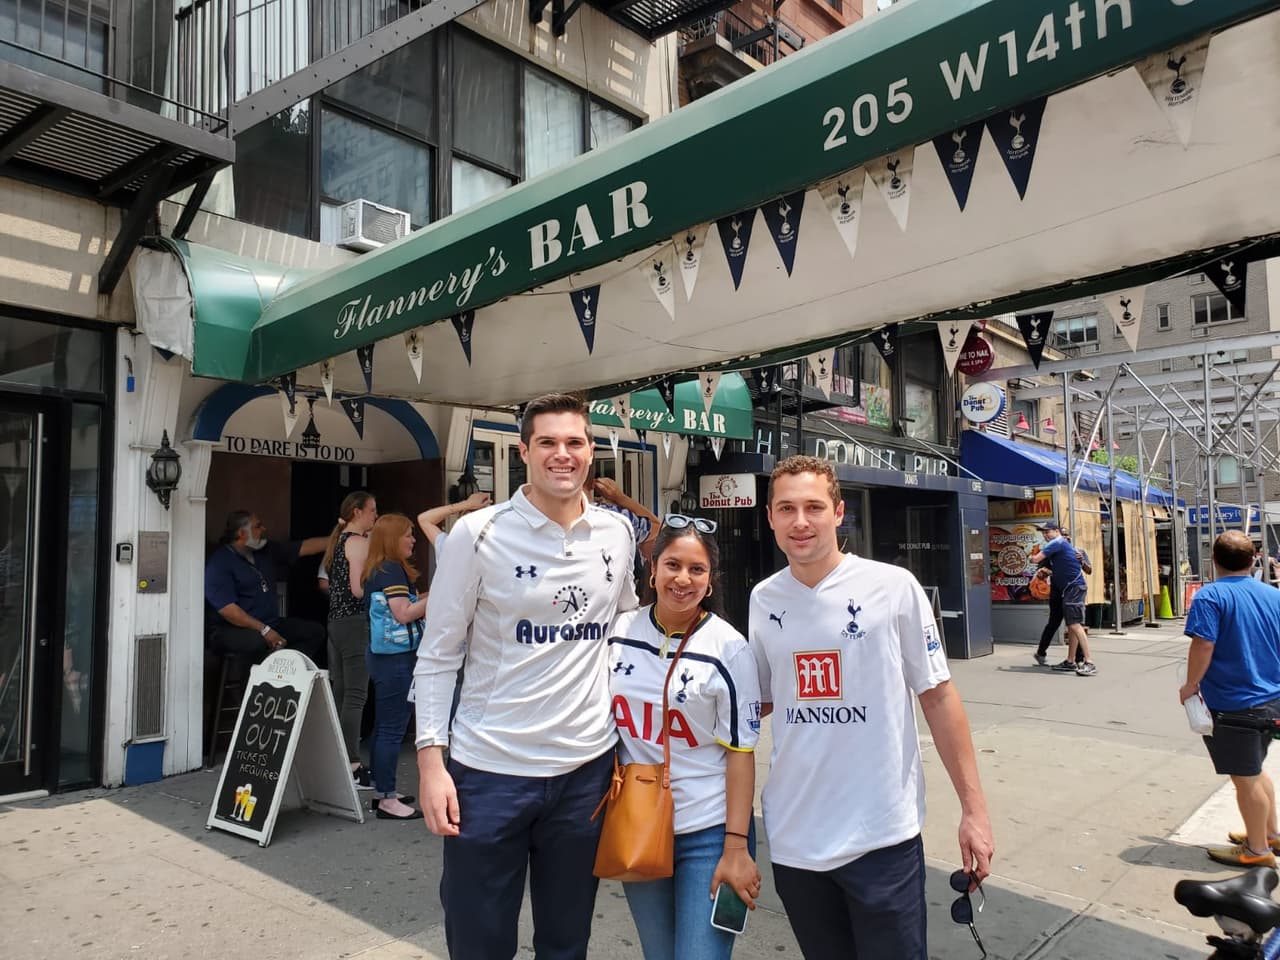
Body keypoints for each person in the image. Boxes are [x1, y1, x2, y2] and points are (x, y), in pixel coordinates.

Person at [414, 392, 639, 960]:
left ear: (591, 451)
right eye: (548, 443)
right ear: (524, 451)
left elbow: (627, 623)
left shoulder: (616, 533)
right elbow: (439, 653)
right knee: (479, 942)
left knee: (567, 943)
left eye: (575, 442)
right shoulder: (477, 534)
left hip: (585, 771)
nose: (562, 454)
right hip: (489, 772)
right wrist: (431, 762)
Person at [748, 456, 994, 959]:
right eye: (787, 508)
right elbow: (760, 700)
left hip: (881, 836)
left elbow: (939, 696)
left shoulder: (892, 588)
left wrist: (975, 810)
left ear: (838, 513)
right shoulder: (762, 599)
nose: (800, 521)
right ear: (769, 518)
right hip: (795, 840)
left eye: (814, 507)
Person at [609, 514, 762, 960]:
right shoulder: (618, 633)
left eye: (697, 569)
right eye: (673, 565)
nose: (683, 578)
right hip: (638, 826)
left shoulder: (729, 648)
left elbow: (741, 753)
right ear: (652, 570)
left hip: (710, 833)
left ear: (710, 582)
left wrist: (736, 848)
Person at [1179, 530, 1280, 868]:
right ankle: (1268, 833)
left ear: (1214, 561)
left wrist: (1191, 685)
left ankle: (1256, 850)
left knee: (1244, 777)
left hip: (1235, 701)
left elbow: (1203, 644)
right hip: (1271, 698)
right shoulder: (1272, 594)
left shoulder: (1210, 597)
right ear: (1254, 560)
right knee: (1253, 769)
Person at [363, 514, 427, 820]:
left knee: (384, 726)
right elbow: (404, 614)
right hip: (395, 659)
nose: (413, 540)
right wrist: (442, 591)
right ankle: (387, 799)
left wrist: (426, 596)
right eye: (408, 535)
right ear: (391, 539)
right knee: (392, 728)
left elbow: (405, 604)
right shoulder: (390, 570)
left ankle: (381, 789)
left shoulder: (382, 568)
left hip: (384, 656)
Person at [204, 511, 327, 664]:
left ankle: (283, 674)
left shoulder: (266, 551)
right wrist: (265, 630)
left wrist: (339, 539)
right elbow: (229, 612)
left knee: (314, 632)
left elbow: (305, 547)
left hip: (269, 624)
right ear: (242, 533)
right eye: (258, 526)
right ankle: (256, 684)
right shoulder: (220, 563)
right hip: (229, 630)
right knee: (257, 641)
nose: (264, 529)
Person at [323, 491, 378, 790]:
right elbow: (358, 589)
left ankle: (341, 758)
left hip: (336, 622)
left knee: (342, 692)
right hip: (355, 622)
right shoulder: (358, 542)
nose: (375, 516)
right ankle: (353, 764)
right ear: (357, 512)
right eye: (372, 510)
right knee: (356, 694)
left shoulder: (338, 541)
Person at [1030, 521, 1097, 676]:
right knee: (1069, 624)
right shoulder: (1057, 548)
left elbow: (1035, 559)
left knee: (1075, 624)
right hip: (1062, 590)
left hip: (1072, 589)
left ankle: (1088, 661)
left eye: (1048, 532)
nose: (1046, 535)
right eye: (1043, 533)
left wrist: (1031, 557)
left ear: (1058, 532)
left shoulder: (1062, 546)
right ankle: (1070, 660)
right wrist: (1045, 571)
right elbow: (1042, 569)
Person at [593, 474, 660, 568]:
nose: (650, 560)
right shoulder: (615, 519)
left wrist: (619, 497)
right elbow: (657, 527)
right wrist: (619, 497)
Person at [416, 491, 491, 555]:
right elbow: (424, 519)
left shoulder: (492, 551)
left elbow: (424, 520)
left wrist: (467, 505)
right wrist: (467, 504)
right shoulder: (449, 546)